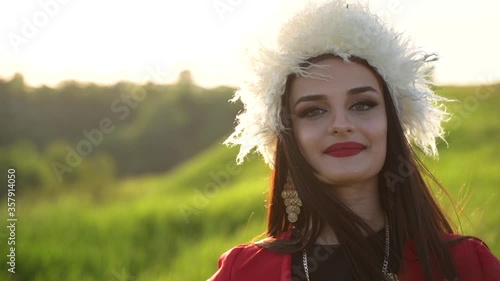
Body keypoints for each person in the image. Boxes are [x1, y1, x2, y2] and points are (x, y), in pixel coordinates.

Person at [208, 1, 500, 280]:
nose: (341, 125)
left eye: (362, 105)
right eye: (314, 110)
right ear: (289, 136)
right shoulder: (245, 272)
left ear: (391, 122)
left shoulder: (466, 264)